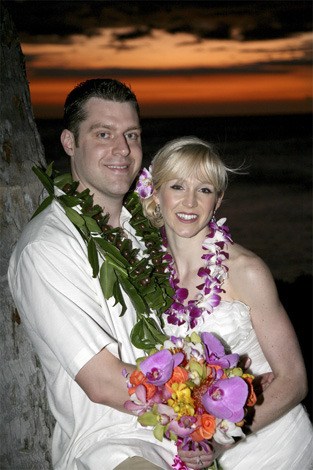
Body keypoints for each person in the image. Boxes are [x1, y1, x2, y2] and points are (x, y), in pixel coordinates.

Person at [7, 80, 211, 470]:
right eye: (103, 134)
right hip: (113, 444)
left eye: (131, 135)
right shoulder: (48, 247)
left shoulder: (149, 227)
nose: (122, 150)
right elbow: (102, 383)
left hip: (182, 435)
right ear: (69, 142)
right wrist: (201, 410)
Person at [139, 136, 313, 469]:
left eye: (204, 190)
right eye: (177, 186)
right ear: (156, 194)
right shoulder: (149, 278)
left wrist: (218, 441)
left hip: (275, 447)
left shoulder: (246, 271)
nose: (190, 202)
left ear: (217, 201)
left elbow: (293, 380)